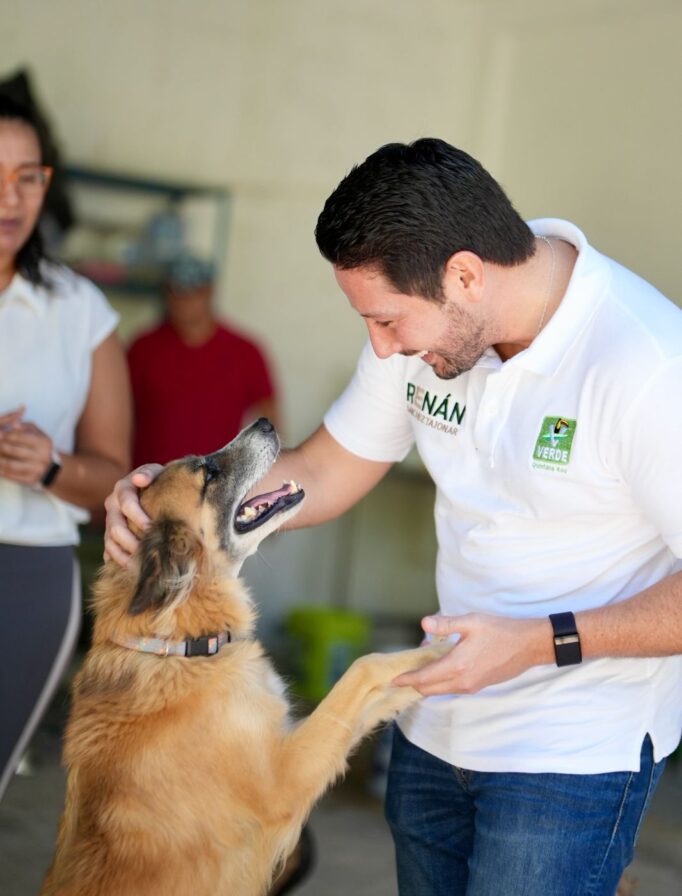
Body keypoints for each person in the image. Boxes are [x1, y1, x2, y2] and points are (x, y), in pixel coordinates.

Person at [103, 138, 682, 896]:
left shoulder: (648, 367)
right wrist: (166, 507)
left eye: (387, 321)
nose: (380, 346)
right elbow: (322, 470)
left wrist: (543, 642)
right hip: (434, 725)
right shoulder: (427, 328)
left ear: (465, 275)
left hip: (571, 760)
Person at [0, 96, 131, 801]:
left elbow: (113, 473)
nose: (8, 197)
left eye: (26, 176)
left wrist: (47, 466)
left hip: (25, 577)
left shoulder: (79, 310)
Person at [127, 252, 280, 467]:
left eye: (193, 291)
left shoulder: (245, 351)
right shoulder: (142, 348)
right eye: (176, 292)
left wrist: (257, 471)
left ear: (209, 291)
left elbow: (270, 417)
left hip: (217, 486)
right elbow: (120, 415)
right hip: (150, 480)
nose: (185, 301)